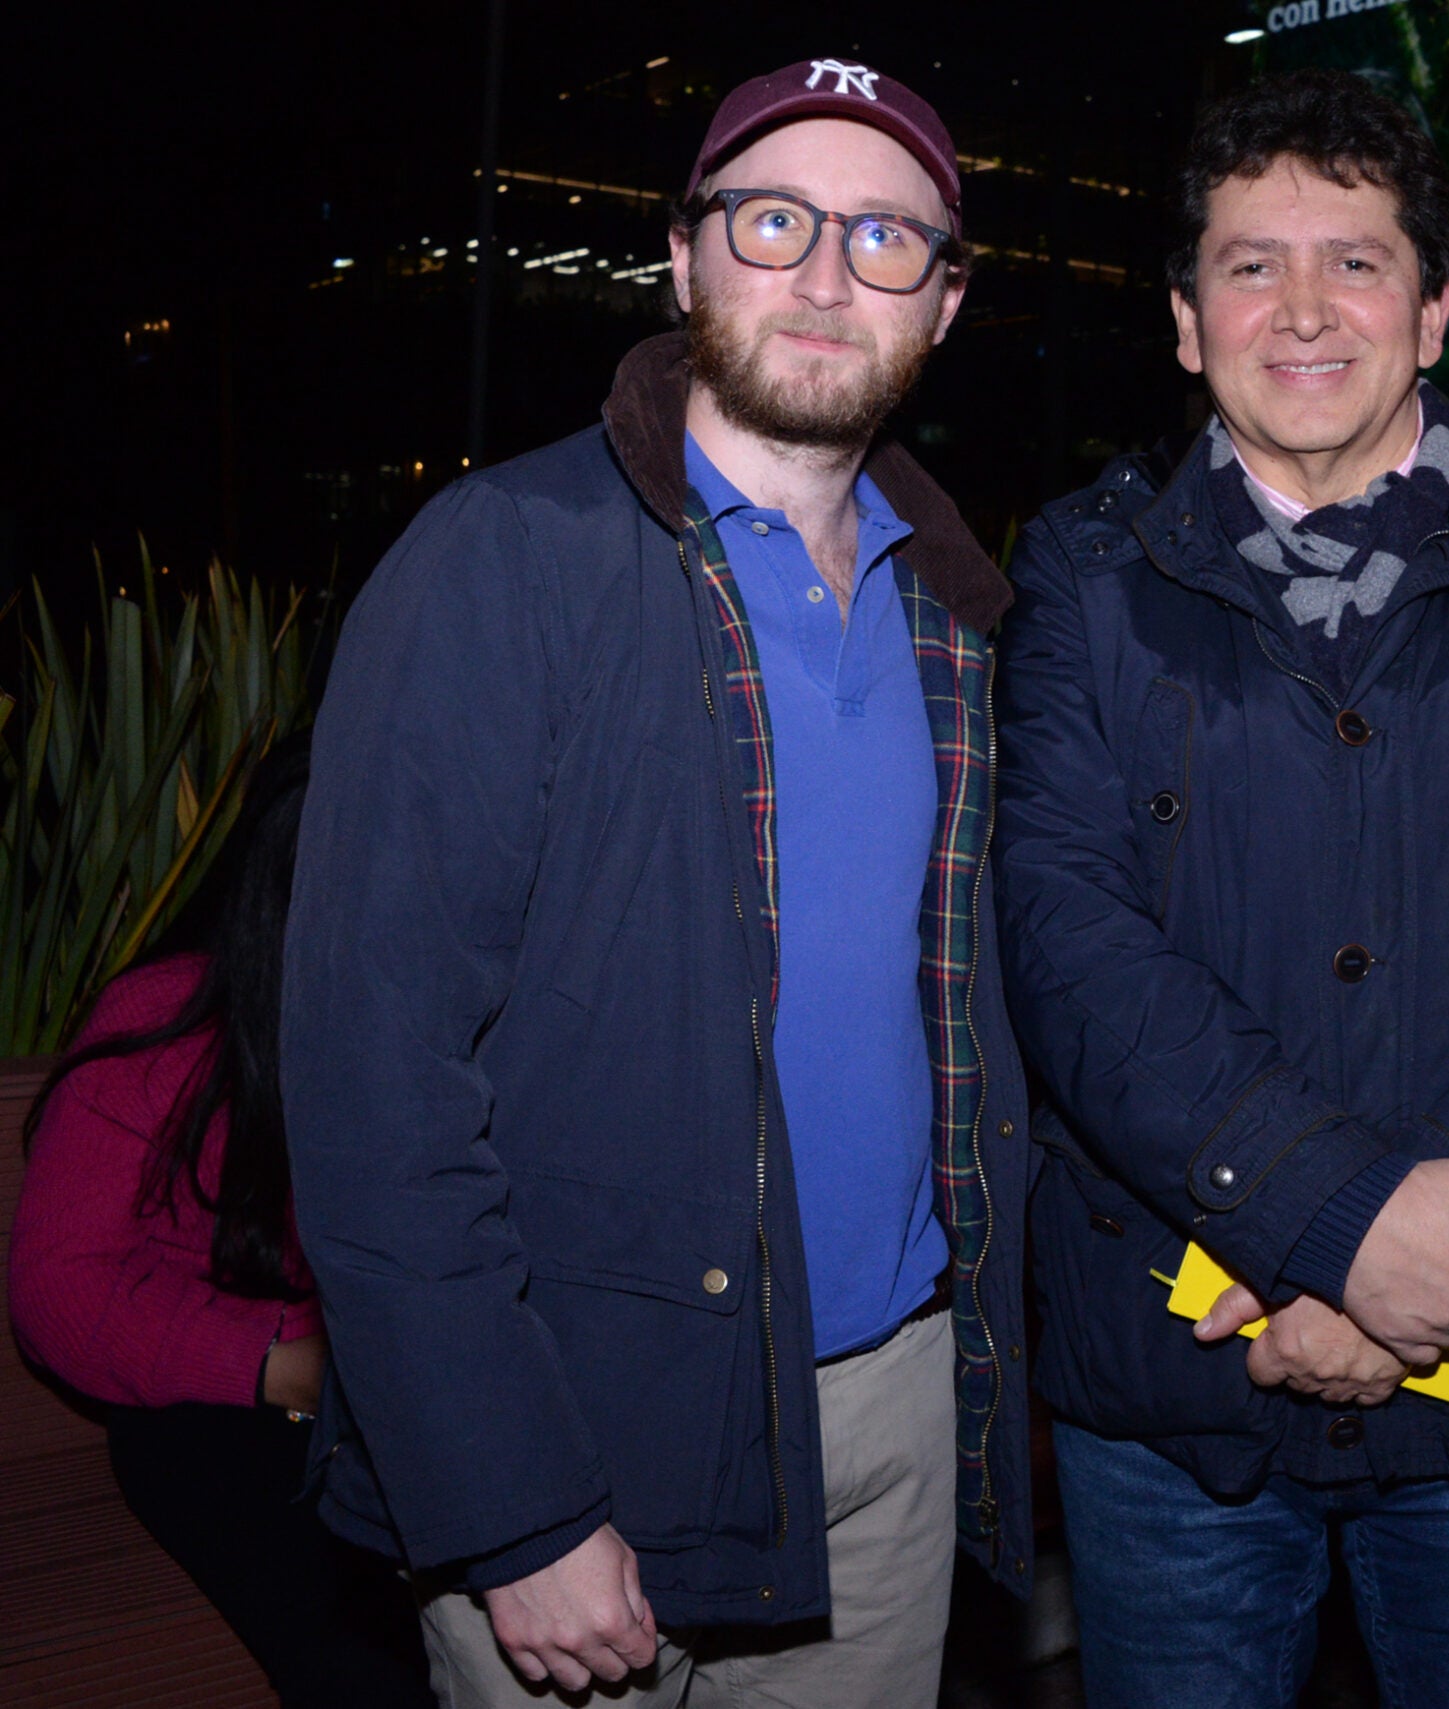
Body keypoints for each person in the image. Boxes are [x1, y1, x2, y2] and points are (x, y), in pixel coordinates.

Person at [279, 58, 1029, 1708]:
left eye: (888, 238)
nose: (829, 276)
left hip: (891, 1416)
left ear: (947, 305)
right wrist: (510, 1496)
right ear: (683, 261)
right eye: (776, 221)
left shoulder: (955, 613)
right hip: (587, 1417)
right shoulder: (504, 563)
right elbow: (369, 1081)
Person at [995, 68, 1449, 1709]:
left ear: (1437, 306)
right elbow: (1068, 934)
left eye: (1357, 260)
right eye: (1251, 264)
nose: (1304, 309)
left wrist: (1424, 1269)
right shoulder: (1085, 575)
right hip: (1174, 1398)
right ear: (1184, 321)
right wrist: (1338, 1230)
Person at [10, 737, 433, 1707]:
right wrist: (279, 1359)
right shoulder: (167, 1020)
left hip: (397, 1393)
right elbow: (58, 1283)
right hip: (219, 1405)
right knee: (369, 1663)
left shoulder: (431, 1024)